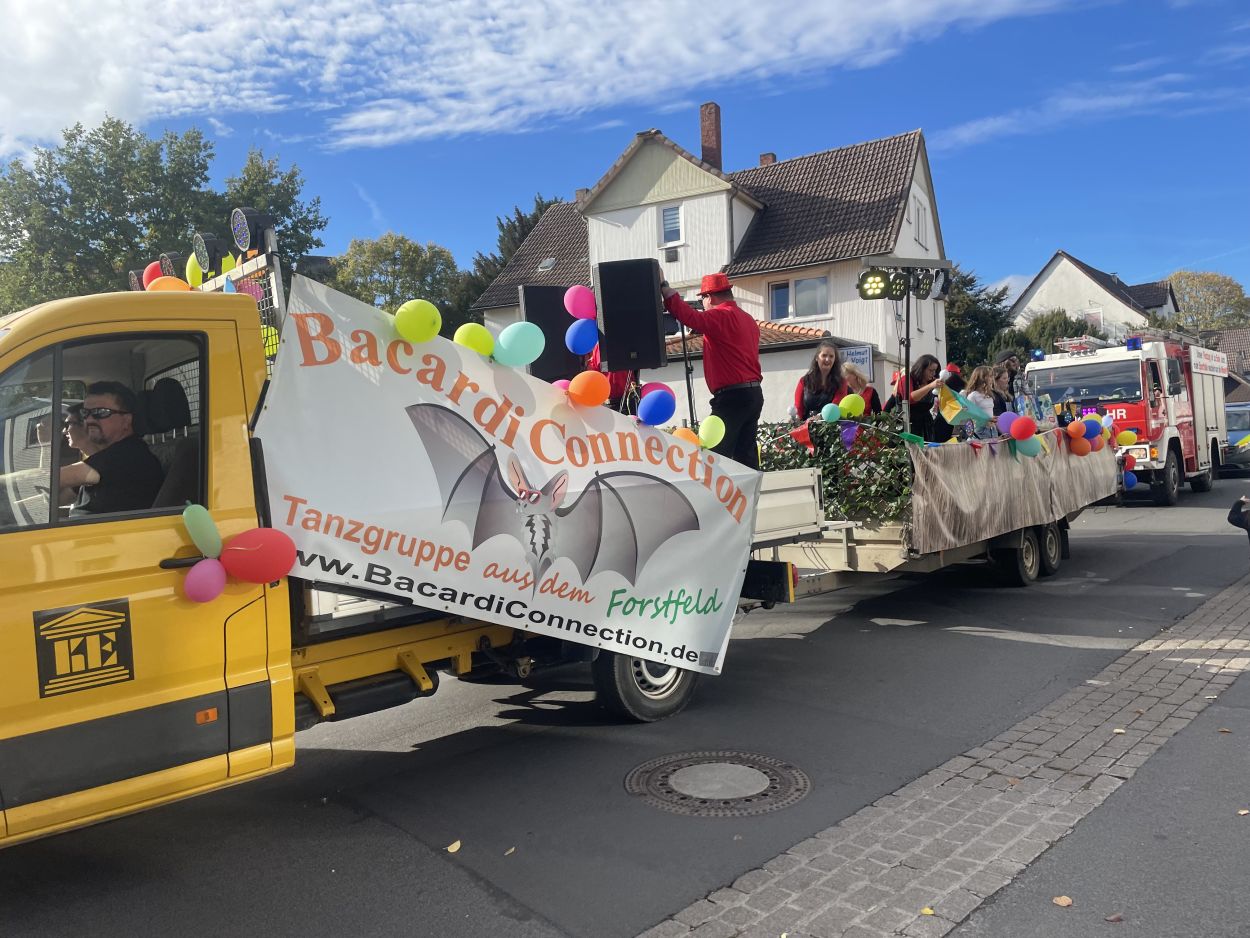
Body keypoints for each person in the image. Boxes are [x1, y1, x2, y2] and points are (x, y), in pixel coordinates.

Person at [660, 273, 763, 469]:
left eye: (703, 299)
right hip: (753, 393)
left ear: (710, 297)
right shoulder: (748, 319)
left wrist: (666, 289)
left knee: (715, 458)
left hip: (732, 397)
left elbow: (691, 318)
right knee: (746, 458)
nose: (703, 305)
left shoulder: (720, 315)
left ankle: (714, 489)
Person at [60, 381, 164, 515]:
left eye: (101, 412)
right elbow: (61, 498)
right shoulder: (108, 455)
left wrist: (35, 478)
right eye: (85, 413)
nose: (89, 420)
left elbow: (58, 478)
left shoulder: (129, 455)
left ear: (126, 420)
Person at [893, 354, 944, 441]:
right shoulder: (907, 379)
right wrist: (930, 386)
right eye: (930, 370)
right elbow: (910, 398)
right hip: (908, 423)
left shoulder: (932, 382)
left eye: (935, 370)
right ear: (921, 369)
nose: (933, 373)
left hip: (926, 425)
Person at [793, 340, 847, 420]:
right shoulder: (804, 381)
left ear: (835, 360)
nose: (827, 359)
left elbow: (835, 406)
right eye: (824, 355)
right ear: (817, 358)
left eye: (831, 356)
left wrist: (820, 417)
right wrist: (795, 420)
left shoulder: (841, 382)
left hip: (830, 424)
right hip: (806, 424)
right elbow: (798, 408)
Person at [964, 366, 998, 439]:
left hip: (992, 429)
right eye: (990, 376)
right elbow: (969, 416)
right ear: (982, 378)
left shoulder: (989, 395)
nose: (992, 379)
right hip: (981, 430)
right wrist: (985, 420)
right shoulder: (973, 396)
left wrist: (993, 418)